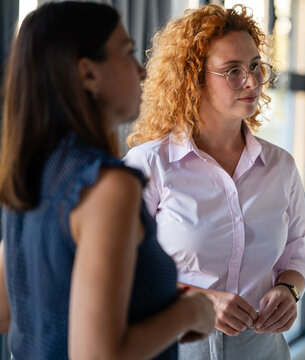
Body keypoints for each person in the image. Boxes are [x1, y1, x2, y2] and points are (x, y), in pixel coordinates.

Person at [0, 2, 215, 359]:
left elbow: (6, 311)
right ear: (88, 74)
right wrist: (191, 312)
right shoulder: (109, 186)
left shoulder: (25, 173)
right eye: (129, 52)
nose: (141, 71)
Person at [124, 4, 305, 359]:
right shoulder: (150, 164)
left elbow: (297, 250)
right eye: (233, 71)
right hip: (177, 345)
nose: (252, 82)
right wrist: (202, 300)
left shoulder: (280, 166)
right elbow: (126, 270)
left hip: (264, 349)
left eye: (256, 66)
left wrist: (289, 289)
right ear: (193, 77)